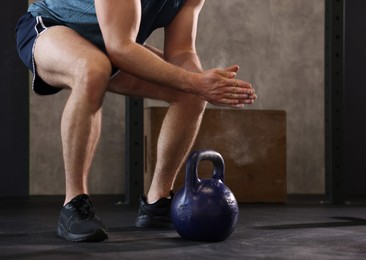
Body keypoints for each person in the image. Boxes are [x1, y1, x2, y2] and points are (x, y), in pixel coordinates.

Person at [16, 0, 257, 242]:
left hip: (111, 44)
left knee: (191, 93)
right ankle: (74, 203)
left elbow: (181, 51)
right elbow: (120, 48)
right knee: (92, 69)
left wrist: (202, 84)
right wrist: (195, 82)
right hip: (53, 29)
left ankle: (158, 201)